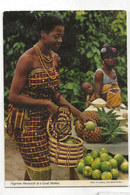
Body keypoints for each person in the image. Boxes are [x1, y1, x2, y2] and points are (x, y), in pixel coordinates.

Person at [6, 13, 89, 181]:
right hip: (26, 124)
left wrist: (78, 113)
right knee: (42, 172)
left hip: (47, 124)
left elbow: (55, 95)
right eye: (56, 36)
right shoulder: (27, 59)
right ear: (43, 34)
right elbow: (13, 97)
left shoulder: (55, 58)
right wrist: (45, 103)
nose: (60, 40)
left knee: (35, 169)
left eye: (61, 37)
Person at [82, 43, 122, 108]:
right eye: (107, 57)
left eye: (112, 57)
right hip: (106, 108)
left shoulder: (114, 72)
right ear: (103, 59)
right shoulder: (100, 73)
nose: (110, 60)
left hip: (117, 106)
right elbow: (97, 95)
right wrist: (107, 107)